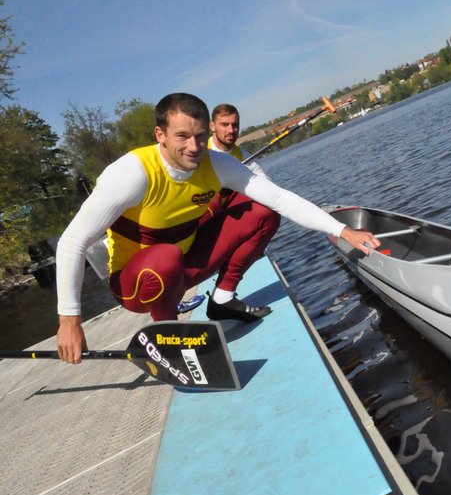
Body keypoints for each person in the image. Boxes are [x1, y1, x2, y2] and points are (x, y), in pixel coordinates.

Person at [55, 92, 380, 364]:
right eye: (182, 136)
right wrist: (69, 320)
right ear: (160, 135)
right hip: (136, 284)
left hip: (182, 268)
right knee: (165, 256)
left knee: (261, 213)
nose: (194, 147)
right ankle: (169, 339)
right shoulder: (132, 172)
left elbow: (280, 198)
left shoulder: (216, 162)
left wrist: (342, 231)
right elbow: (72, 242)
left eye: (199, 136)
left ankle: (223, 299)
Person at [205, 102, 280, 320]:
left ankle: (223, 295)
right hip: (201, 223)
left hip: (226, 221)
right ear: (212, 126)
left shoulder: (242, 155)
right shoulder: (202, 154)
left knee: (268, 211)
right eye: (224, 125)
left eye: (235, 125)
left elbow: (269, 190)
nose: (231, 130)